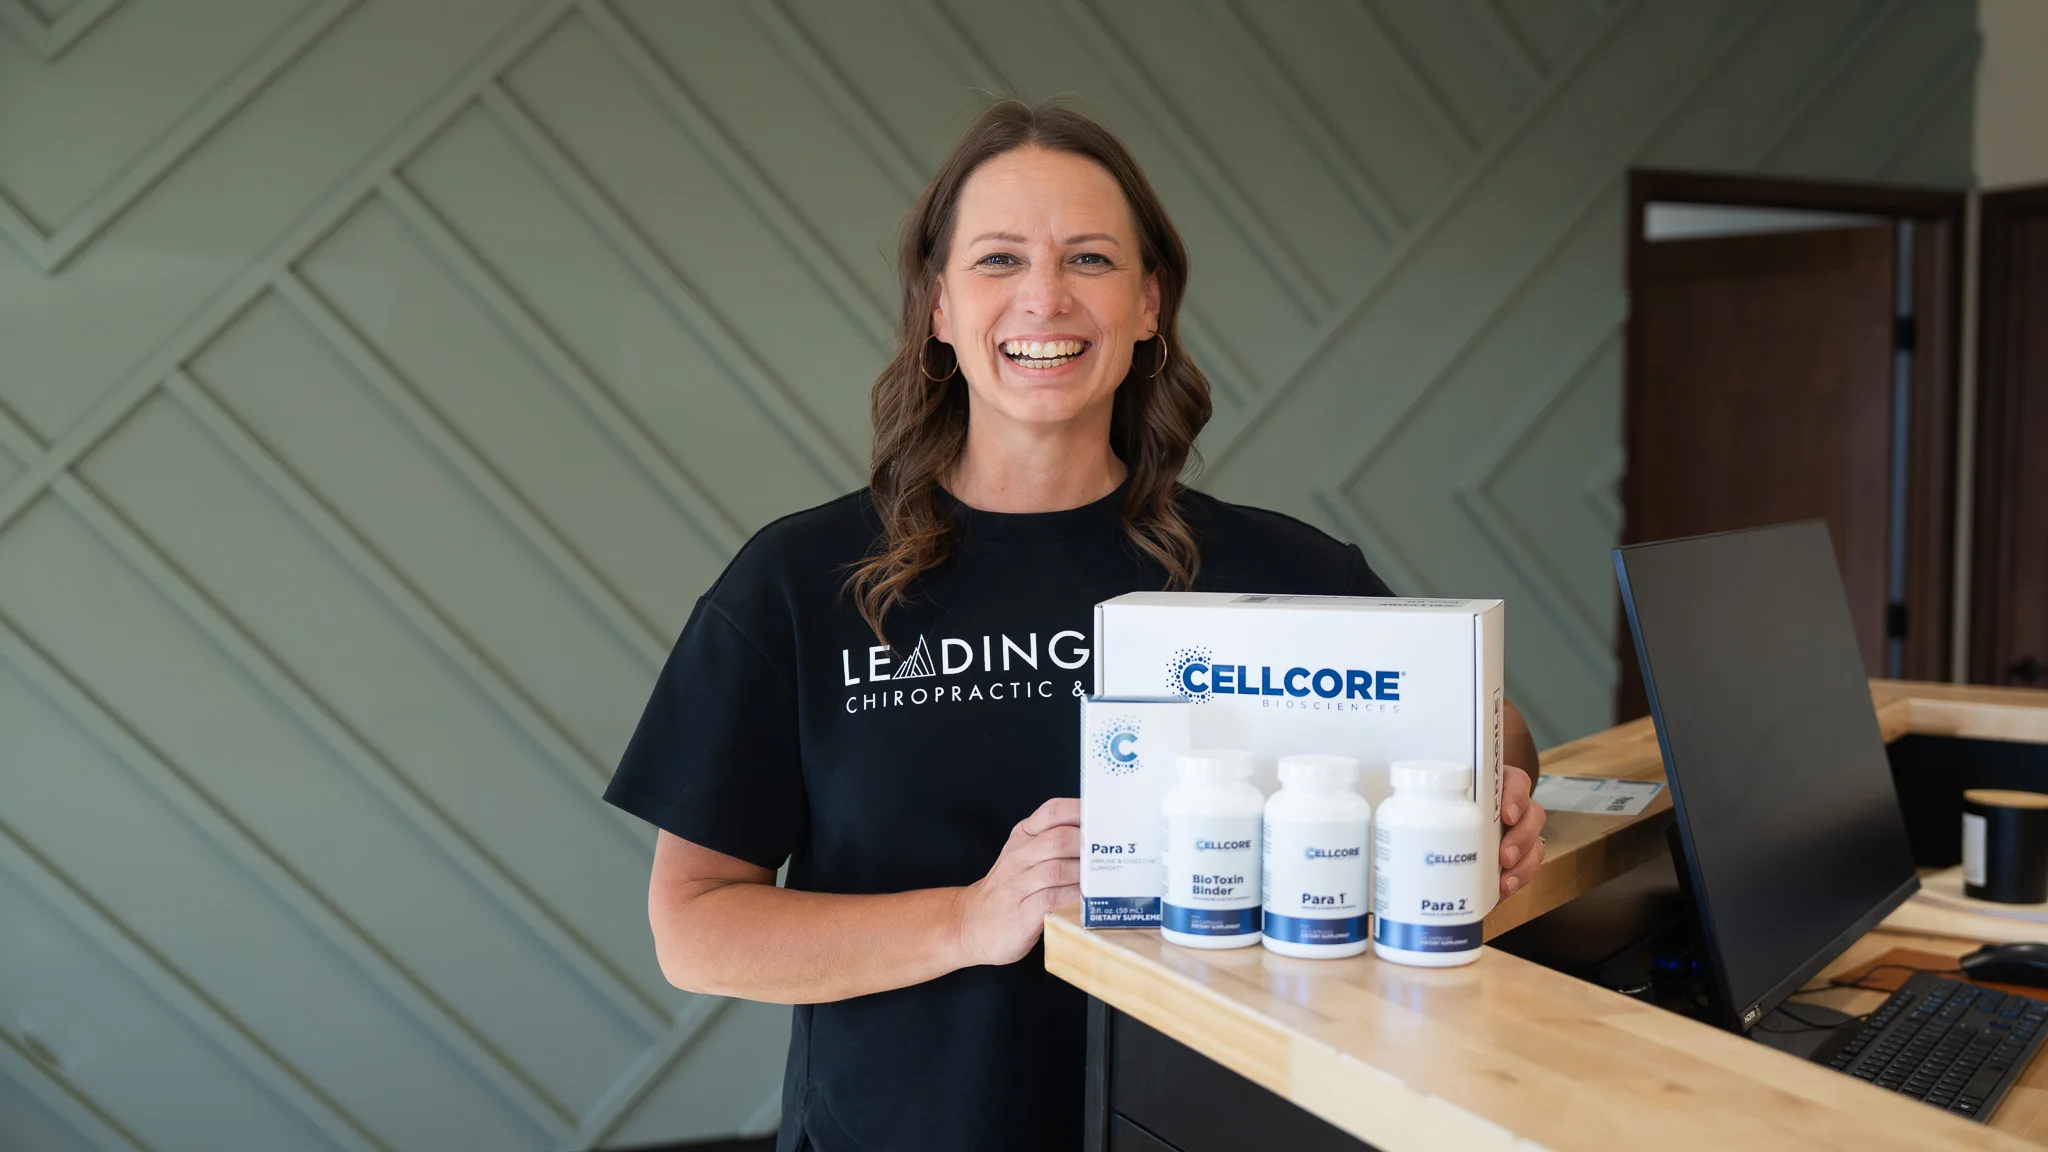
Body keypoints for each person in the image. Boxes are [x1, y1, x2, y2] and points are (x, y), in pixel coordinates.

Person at [604, 98, 1547, 1152]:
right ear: (939, 307)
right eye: (999, 260)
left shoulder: (1278, 570)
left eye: (1089, 259)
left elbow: (1479, 722)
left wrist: (1493, 789)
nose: (1044, 298)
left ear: (1148, 303)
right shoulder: (801, 581)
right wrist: (971, 917)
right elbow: (695, 928)